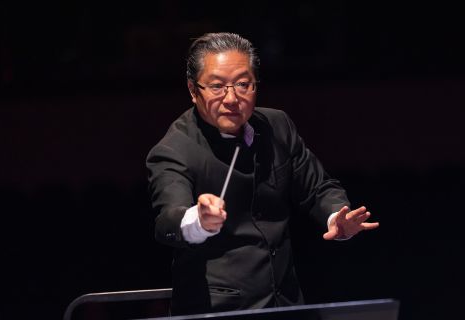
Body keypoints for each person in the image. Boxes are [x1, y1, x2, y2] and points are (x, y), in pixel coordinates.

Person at [146, 32, 379, 316]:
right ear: (194, 91)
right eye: (217, 87)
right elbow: (168, 220)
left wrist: (335, 217)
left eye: (243, 85)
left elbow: (318, 187)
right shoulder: (174, 148)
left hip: (287, 302)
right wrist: (199, 220)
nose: (231, 98)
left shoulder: (277, 126)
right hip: (219, 309)